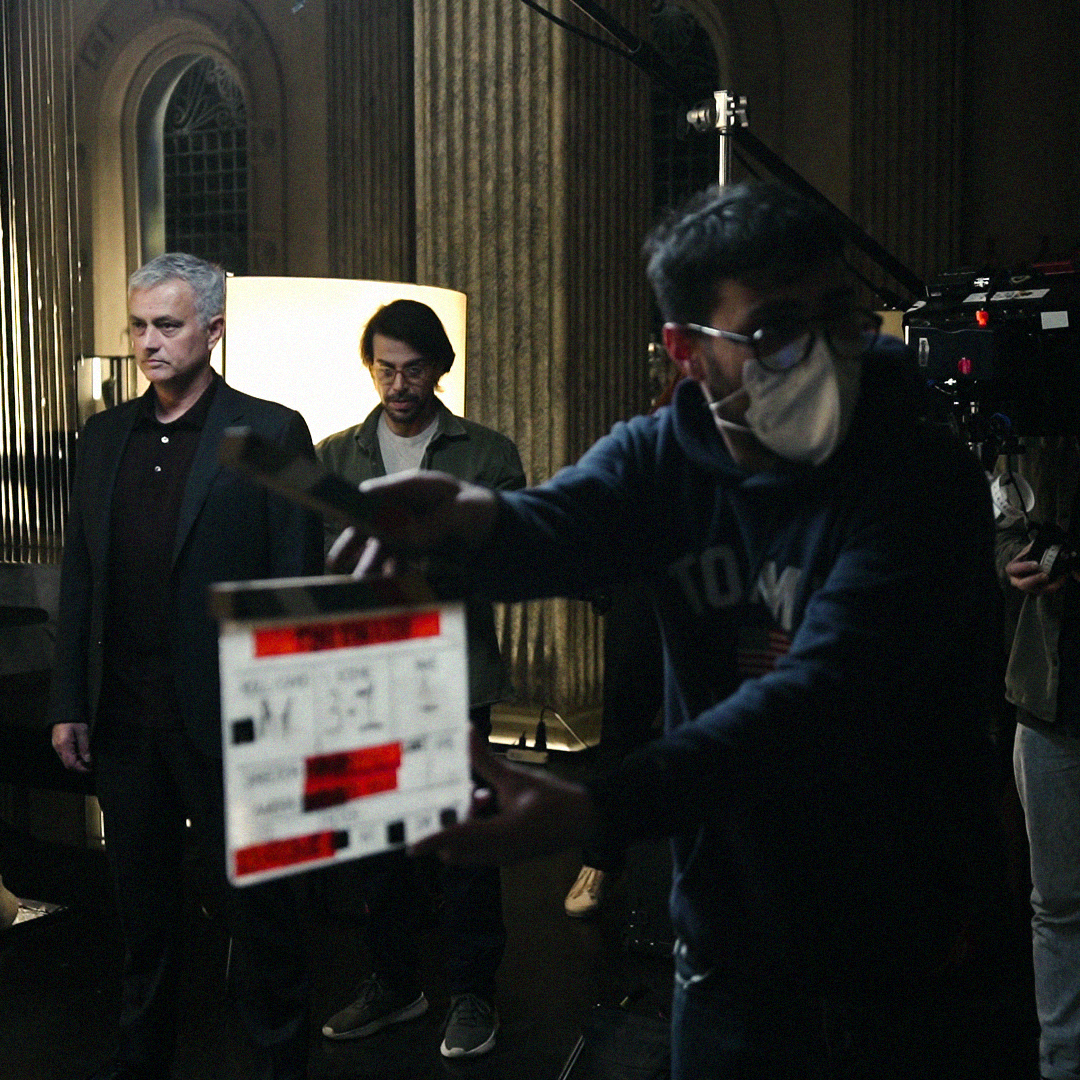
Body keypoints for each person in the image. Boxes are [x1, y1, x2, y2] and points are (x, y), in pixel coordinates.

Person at [330, 183, 1001, 1080]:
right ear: (688, 352)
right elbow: (565, 523)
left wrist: (598, 807)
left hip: (902, 943)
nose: (820, 353)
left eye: (837, 313)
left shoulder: (916, 471)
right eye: (771, 331)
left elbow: (823, 698)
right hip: (728, 941)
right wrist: (467, 519)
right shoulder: (662, 453)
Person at [50, 253, 323, 1080]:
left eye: (167, 325)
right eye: (138, 325)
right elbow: (81, 577)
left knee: (264, 925)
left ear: (214, 329)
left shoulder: (275, 433)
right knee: (144, 929)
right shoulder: (103, 437)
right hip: (128, 725)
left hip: (233, 726)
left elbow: (300, 594)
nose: (148, 342)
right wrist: (71, 700)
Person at [315, 299, 525, 1058]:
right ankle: (394, 984)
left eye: (413, 370)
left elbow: (500, 561)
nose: (398, 386)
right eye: (384, 369)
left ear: (439, 368)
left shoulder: (486, 453)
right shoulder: (336, 455)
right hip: (368, 678)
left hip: (451, 674)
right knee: (379, 848)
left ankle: (474, 994)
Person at [998, 438, 1080, 1080]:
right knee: (1055, 904)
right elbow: (1003, 518)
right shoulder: (1033, 417)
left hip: (1050, 701)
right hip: (1050, 698)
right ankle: (1060, 1064)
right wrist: (1010, 560)